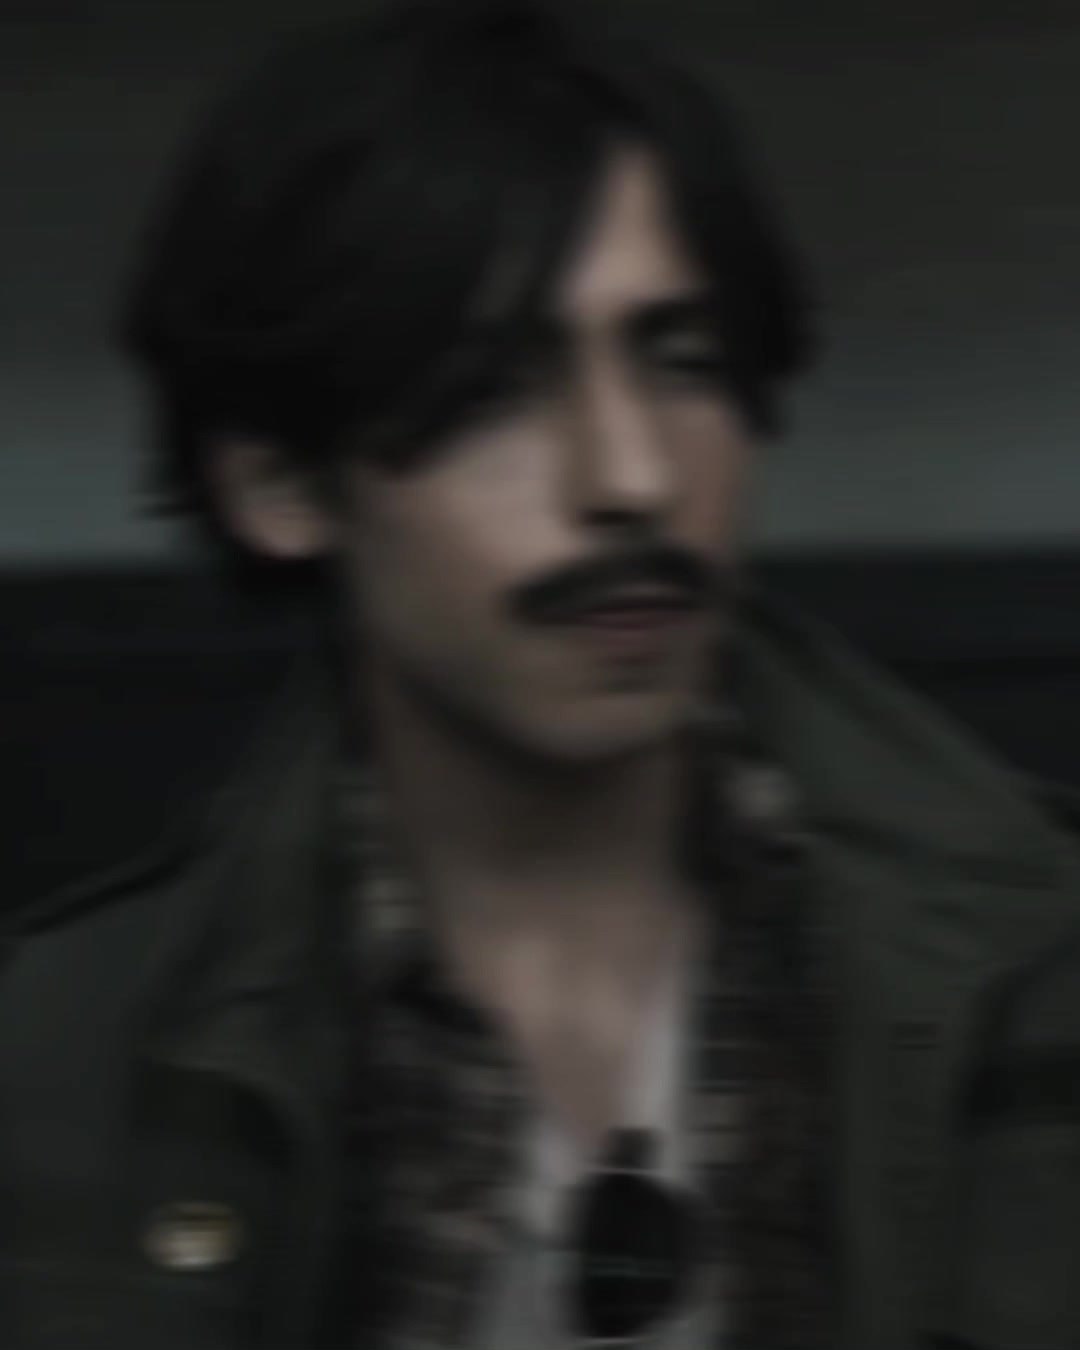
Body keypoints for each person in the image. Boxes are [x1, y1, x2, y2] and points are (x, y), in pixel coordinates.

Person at [3, 1, 1079, 1347]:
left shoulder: (1036, 963)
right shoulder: (61, 1061)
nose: (631, 477)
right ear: (280, 484)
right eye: (494, 389)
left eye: (682, 362)